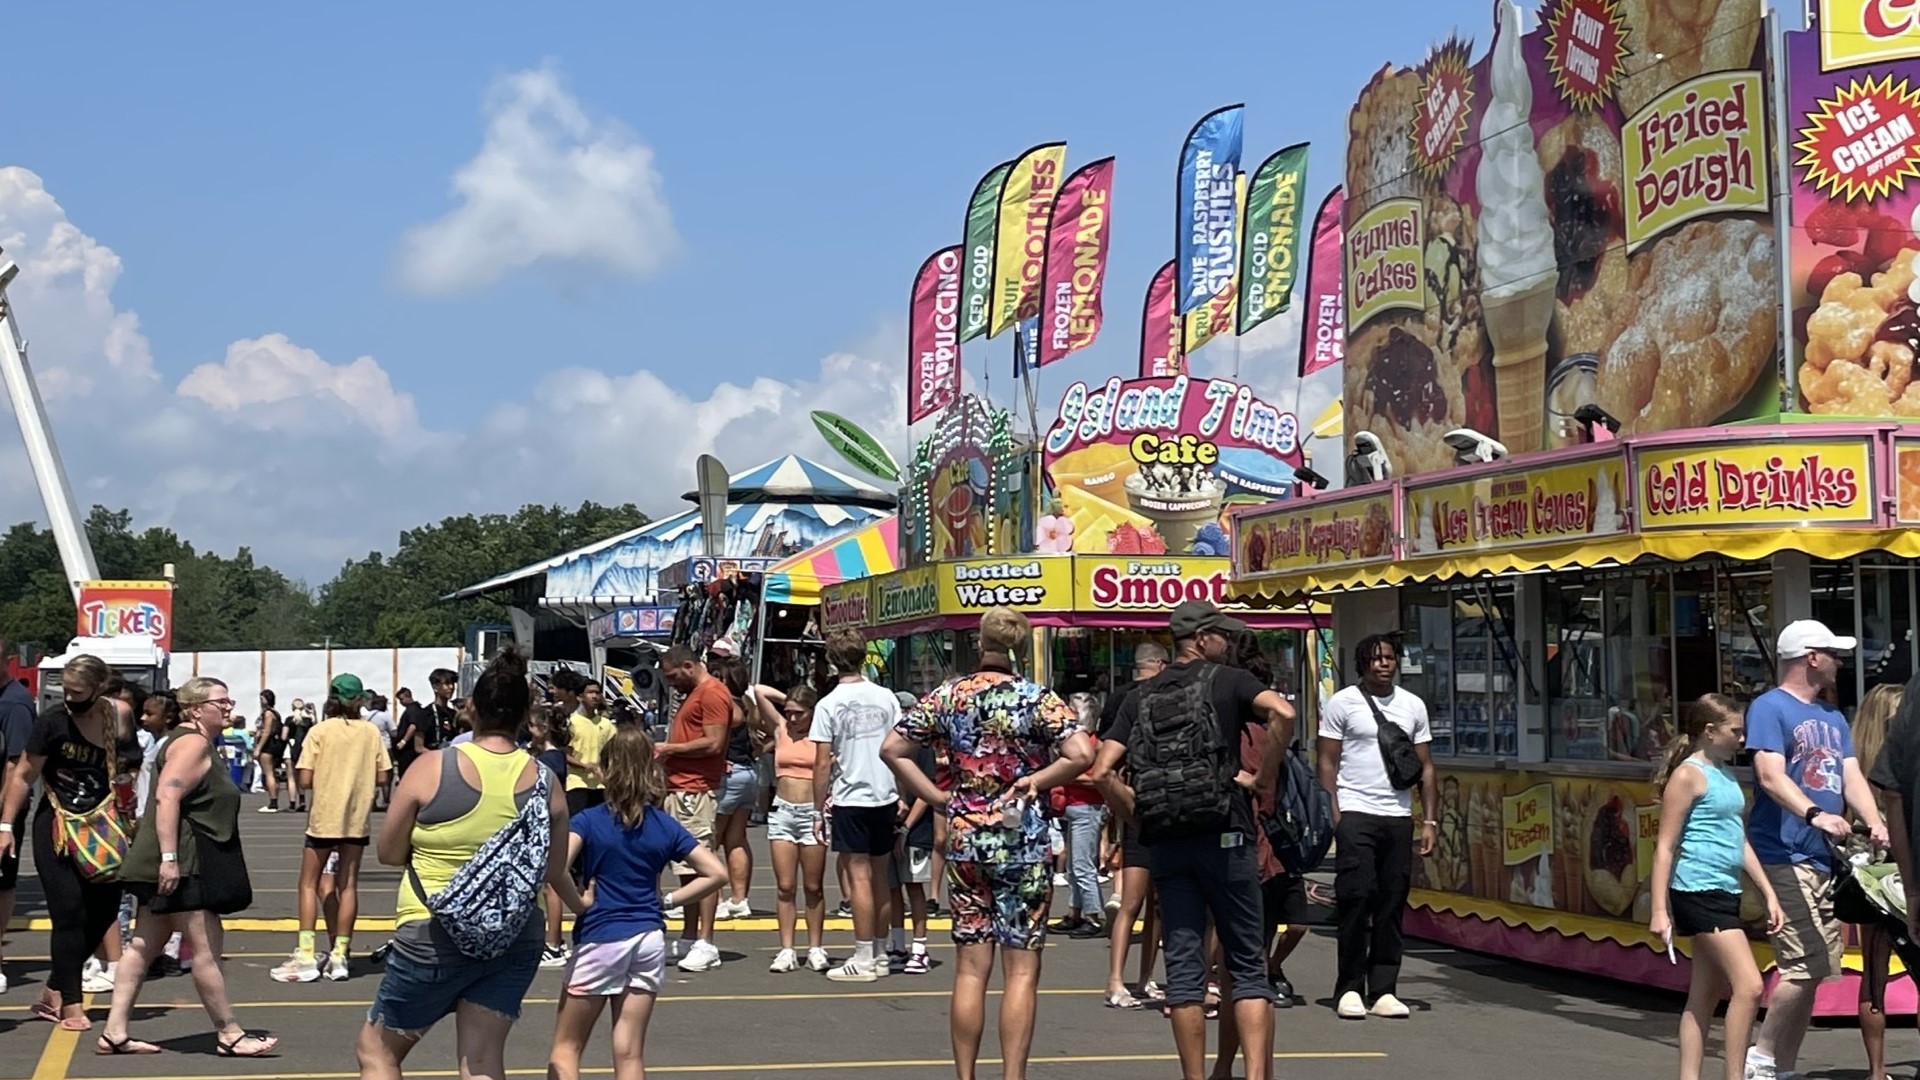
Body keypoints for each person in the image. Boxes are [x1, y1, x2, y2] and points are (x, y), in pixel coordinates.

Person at [356, 647, 585, 1080]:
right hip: (514, 933)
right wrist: (585, 908)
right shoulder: (545, 780)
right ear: (524, 715)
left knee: (378, 1051)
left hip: (433, 931)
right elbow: (554, 869)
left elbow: (387, 853)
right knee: (481, 1059)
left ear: (471, 708)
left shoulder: (432, 768)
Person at [886, 606, 1094, 1080]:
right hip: (1022, 842)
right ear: (1019, 648)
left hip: (964, 840)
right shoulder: (1037, 698)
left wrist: (937, 795)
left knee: (970, 968)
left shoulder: (949, 696)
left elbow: (892, 748)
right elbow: (1081, 754)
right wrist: (1038, 779)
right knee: (1021, 970)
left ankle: (965, 1074)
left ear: (980, 643)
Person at [1091, 601, 1292, 1080]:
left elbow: (1101, 771)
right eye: (1222, 634)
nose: (1229, 642)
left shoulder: (1141, 696)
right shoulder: (1228, 681)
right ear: (1201, 638)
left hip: (1168, 841)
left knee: (1184, 969)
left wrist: (1138, 813)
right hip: (1225, 833)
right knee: (1246, 965)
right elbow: (1283, 713)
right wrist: (1264, 778)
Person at [99, 676, 274, 1057]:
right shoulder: (193, 744)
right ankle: (229, 1033)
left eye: (228, 700)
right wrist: (168, 859)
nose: (229, 707)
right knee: (206, 947)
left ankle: (114, 1031)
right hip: (184, 862)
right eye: (220, 702)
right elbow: (166, 797)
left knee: (144, 944)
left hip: (171, 861)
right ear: (196, 710)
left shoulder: (189, 740)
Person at [1746, 620, 1889, 1080]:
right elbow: (1770, 775)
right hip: (1782, 852)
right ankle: (1761, 1056)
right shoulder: (1769, 708)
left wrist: (1875, 820)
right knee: (1801, 964)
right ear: (1811, 657)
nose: (1840, 662)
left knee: (1818, 966)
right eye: (1833, 653)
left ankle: (1782, 1065)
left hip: (1824, 857)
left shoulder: (1832, 717)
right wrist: (1815, 814)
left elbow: (1851, 775)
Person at [548, 727, 729, 1080]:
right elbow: (717, 873)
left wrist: (580, 903)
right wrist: (668, 900)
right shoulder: (664, 825)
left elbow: (555, 869)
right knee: (629, 1052)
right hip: (647, 938)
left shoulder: (588, 820)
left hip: (601, 936)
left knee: (566, 1048)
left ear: (605, 769)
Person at [0, 654, 141, 1029]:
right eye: (65, 690)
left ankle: (54, 988)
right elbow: (22, 775)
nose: (70, 698)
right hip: (57, 826)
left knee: (104, 911)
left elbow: (131, 763)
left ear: (99, 689)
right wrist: (4, 827)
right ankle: (71, 1005)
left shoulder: (118, 715)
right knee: (68, 914)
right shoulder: (52, 722)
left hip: (105, 825)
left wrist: (130, 793)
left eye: (78, 691)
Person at [1650, 695, 1786, 1080]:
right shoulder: (1688, 775)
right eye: (1735, 731)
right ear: (1710, 732)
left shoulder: (1725, 774)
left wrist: (1767, 892)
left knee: (1704, 995)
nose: (1742, 739)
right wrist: (1660, 910)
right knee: (1749, 985)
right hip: (1696, 889)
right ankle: (1735, 1075)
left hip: (1725, 890)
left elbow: (1738, 841)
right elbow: (1664, 846)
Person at [1316, 634, 1435, 1021]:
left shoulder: (1412, 705)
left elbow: (1425, 766)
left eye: (1389, 658)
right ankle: (1349, 987)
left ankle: (1384, 988)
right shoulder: (1343, 702)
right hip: (1355, 812)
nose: (1383, 664)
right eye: (1375, 658)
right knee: (1355, 897)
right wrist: (1333, 810)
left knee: (1391, 900)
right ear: (1362, 664)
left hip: (1398, 816)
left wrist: (1429, 818)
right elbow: (1327, 761)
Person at [273, 673, 392, 984]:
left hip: (325, 817)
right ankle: (340, 954)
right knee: (349, 885)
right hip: (356, 819)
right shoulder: (370, 733)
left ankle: (306, 953)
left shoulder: (319, 731)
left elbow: (305, 779)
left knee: (308, 883)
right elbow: (384, 776)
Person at [812, 628, 904, 982]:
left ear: (832, 660)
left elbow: (821, 763)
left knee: (859, 877)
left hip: (852, 794)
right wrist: (902, 792)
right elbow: (901, 745)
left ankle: (864, 955)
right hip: (884, 792)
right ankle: (880, 952)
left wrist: (818, 809)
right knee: (880, 876)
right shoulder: (887, 698)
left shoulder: (828, 704)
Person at [1100, 644, 1168, 1010]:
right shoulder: (1130, 702)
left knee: (1153, 905)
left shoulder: (1124, 699)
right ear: (1158, 665)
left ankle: (1144, 978)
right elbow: (1108, 765)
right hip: (1142, 811)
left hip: (1152, 809)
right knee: (1135, 902)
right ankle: (1116, 981)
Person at [656, 644, 731, 971]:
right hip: (681, 788)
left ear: (688, 665)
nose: (672, 683)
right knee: (686, 871)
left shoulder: (712, 693)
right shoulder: (699, 694)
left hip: (696, 791)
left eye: (673, 676)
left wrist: (669, 748)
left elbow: (714, 742)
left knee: (703, 867)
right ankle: (689, 937)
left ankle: (706, 940)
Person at [1849, 682, 1904, 1080]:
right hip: (1904, 876)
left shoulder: (1854, 768)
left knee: (1873, 973)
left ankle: (1876, 1071)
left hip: (1866, 878)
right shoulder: (1903, 762)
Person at [755, 683, 830, 973]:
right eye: (789, 712)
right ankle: (787, 949)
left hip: (813, 812)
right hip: (782, 811)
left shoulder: (823, 735)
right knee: (785, 886)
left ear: (813, 712)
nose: (794, 718)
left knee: (814, 886)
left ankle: (816, 947)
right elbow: (758, 692)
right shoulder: (780, 728)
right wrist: (788, 699)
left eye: (800, 713)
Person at [714, 660, 768, 921]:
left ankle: (716, 899)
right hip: (748, 772)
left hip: (728, 774)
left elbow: (715, 741)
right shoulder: (750, 707)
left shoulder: (726, 706)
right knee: (736, 839)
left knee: (710, 840)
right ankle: (739, 899)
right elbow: (769, 736)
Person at [0, 634, 35, 993]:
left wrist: (3, 818)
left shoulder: (15, 705)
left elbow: (17, 766)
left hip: (3, 812)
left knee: (1, 882)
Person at [255, 689, 285, 813]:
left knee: (268, 773)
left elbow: (267, 731)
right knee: (272, 772)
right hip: (276, 744)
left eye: (262, 699)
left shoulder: (268, 713)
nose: (260, 702)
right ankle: (274, 800)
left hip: (269, 745)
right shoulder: (276, 713)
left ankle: (273, 803)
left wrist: (258, 748)